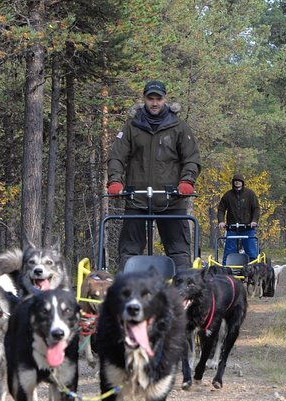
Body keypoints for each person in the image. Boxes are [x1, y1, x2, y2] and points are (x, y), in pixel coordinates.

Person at [107, 80, 201, 271]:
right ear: (144, 99)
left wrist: (187, 181)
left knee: (179, 252)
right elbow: (117, 157)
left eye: (159, 98)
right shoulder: (131, 127)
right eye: (151, 99)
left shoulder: (179, 127)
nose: (155, 103)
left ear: (165, 99)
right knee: (129, 251)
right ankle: (128, 292)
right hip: (136, 198)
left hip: (171, 199)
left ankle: (183, 295)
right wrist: (115, 180)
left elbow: (191, 158)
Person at [217, 173, 261, 265]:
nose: (237, 182)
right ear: (233, 182)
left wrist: (254, 221)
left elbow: (256, 209)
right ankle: (226, 271)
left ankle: (255, 270)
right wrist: (221, 221)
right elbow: (221, 209)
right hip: (232, 228)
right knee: (229, 252)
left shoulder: (250, 194)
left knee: (251, 252)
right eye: (235, 181)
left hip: (247, 228)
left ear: (242, 182)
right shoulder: (228, 195)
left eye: (239, 181)